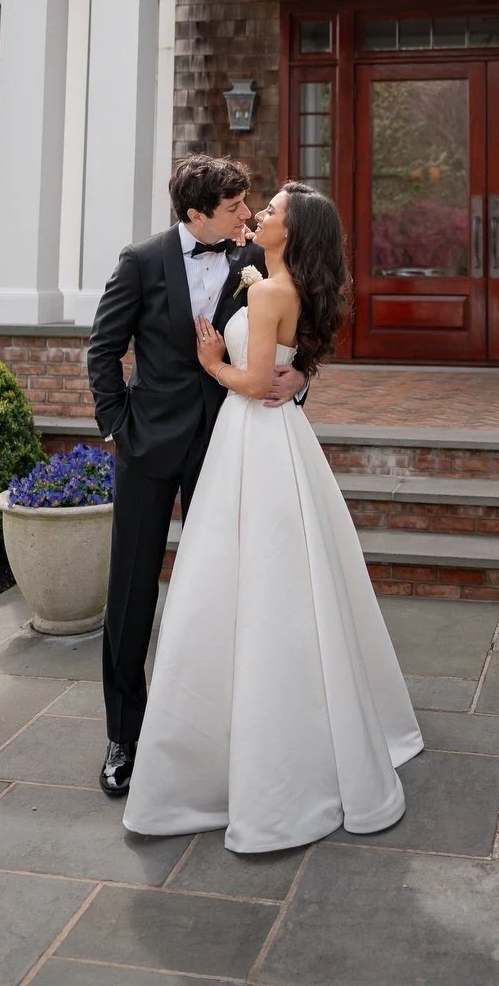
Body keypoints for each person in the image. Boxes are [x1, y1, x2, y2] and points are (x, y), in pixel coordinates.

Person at [123, 182, 423, 852]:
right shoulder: (272, 278)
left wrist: (213, 362)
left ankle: (239, 756)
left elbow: (259, 384)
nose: (258, 214)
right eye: (254, 208)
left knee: (242, 578)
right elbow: (283, 344)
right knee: (290, 578)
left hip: (248, 433)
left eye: (272, 212)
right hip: (274, 441)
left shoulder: (263, 290)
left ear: (293, 231)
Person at [87, 155, 307, 797]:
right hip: (148, 447)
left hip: (230, 444)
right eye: (236, 206)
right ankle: (124, 736)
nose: (247, 213)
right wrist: (115, 426)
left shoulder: (254, 261)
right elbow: (104, 347)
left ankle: (225, 734)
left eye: (249, 205)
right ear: (195, 214)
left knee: (228, 589)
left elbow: (298, 328)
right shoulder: (142, 260)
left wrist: (300, 378)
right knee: (131, 594)